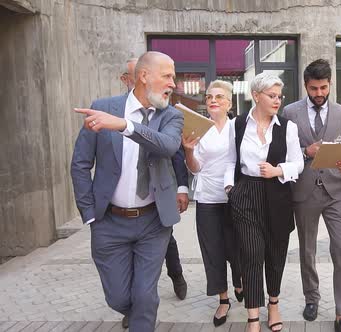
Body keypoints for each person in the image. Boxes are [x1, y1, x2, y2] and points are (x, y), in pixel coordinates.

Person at [70, 51, 183, 332]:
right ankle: (136, 315)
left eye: (174, 77)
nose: (173, 83)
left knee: (145, 296)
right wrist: (89, 214)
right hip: (109, 222)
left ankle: (142, 319)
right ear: (144, 76)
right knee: (119, 297)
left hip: (153, 222)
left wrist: (124, 125)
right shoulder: (103, 107)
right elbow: (80, 164)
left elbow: (167, 146)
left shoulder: (172, 116)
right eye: (167, 76)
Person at [224, 72, 304, 332]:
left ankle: (273, 303)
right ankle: (253, 317)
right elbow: (229, 160)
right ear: (256, 96)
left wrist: (278, 170)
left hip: (278, 195)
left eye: (279, 96)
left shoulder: (287, 127)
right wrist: (230, 188)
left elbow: (298, 163)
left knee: (275, 253)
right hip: (245, 193)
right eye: (272, 95)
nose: (277, 101)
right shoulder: (236, 125)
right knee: (251, 253)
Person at [282, 59, 341, 332]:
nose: (319, 93)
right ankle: (311, 298)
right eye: (314, 88)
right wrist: (305, 151)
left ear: (330, 84)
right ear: (305, 85)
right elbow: (284, 152)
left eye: (324, 87)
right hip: (304, 191)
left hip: (336, 190)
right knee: (307, 250)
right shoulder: (290, 112)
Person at [120, 57, 188, 308]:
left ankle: (176, 274)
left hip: (159, 195)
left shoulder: (167, 112)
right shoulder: (116, 111)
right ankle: (134, 305)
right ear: (130, 78)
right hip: (125, 208)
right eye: (129, 76)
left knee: (167, 241)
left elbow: (176, 152)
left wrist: (182, 188)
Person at [182, 80, 243, 327]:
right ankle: (223, 299)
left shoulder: (238, 128)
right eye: (209, 97)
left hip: (234, 199)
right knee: (213, 252)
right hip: (207, 198)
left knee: (236, 249)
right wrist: (187, 150)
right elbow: (195, 168)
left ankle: (239, 280)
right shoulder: (198, 128)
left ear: (229, 103)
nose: (213, 100)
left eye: (219, 96)